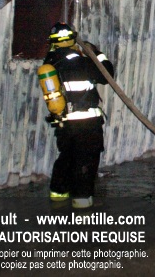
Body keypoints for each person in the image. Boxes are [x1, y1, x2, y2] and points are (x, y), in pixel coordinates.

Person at [42, 22, 115, 208]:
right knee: (86, 159)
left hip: (64, 122)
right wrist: (96, 53)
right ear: (72, 39)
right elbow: (107, 74)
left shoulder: (50, 61)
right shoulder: (80, 62)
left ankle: (58, 194)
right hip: (86, 121)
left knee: (67, 156)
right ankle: (82, 202)